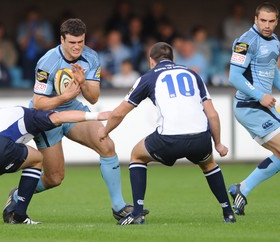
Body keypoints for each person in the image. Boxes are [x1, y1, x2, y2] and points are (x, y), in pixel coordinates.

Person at [2, 18, 147, 224]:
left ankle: (119, 207)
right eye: (72, 42)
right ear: (62, 39)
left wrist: (83, 84)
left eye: (81, 41)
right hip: (46, 117)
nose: (77, 47)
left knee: (105, 143)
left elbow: (93, 97)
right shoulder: (47, 62)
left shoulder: (91, 57)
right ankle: (17, 196)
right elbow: (38, 103)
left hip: (73, 111)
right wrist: (65, 97)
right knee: (54, 178)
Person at [98, 42, 236, 225]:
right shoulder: (193, 74)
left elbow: (119, 113)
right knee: (209, 164)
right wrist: (218, 143)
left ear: (151, 61)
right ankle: (228, 212)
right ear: (173, 59)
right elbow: (212, 113)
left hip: (169, 139)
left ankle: (137, 213)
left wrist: (105, 130)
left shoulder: (148, 77)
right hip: (200, 138)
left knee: (137, 155)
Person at [227, 2, 280, 216]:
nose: (267, 25)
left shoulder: (275, 42)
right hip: (249, 105)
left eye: (271, 21)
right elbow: (234, 77)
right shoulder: (245, 42)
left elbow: (273, 72)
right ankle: (243, 188)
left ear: (276, 21)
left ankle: (243, 188)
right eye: (263, 21)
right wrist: (260, 96)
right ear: (255, 20)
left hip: (262, 107)